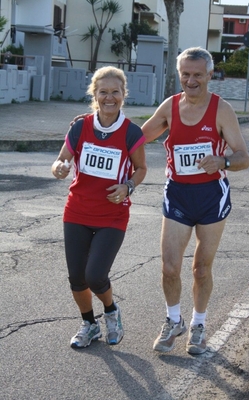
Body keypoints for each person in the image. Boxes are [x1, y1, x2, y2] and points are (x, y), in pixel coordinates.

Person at [141, 47, 249, 355]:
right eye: (185, 74)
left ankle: (199, 325)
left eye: (198, 75)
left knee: (201, 268)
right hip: (177, 193)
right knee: (169, 266)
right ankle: (173, 320)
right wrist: (96, 126)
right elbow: (137, 137)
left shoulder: (222, 110)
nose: (191, 81)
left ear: (209, 75)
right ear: (179, 75)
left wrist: (223, 162)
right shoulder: (169, 107)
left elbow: (243, 157)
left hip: (211, 198)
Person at [51, 66, 147, 349]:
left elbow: (141, 168)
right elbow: (61, 160)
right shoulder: (80, 126)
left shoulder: (132, 132)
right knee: (77, 278)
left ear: (123, 95)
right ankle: (89, 325)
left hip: (112, 215)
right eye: (103, 92)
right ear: (94, 94)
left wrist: (127, 186)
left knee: (95, 276)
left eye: (115, 92)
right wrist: (59, 167)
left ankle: (111, 312)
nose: (109, 97)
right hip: (77, 211)